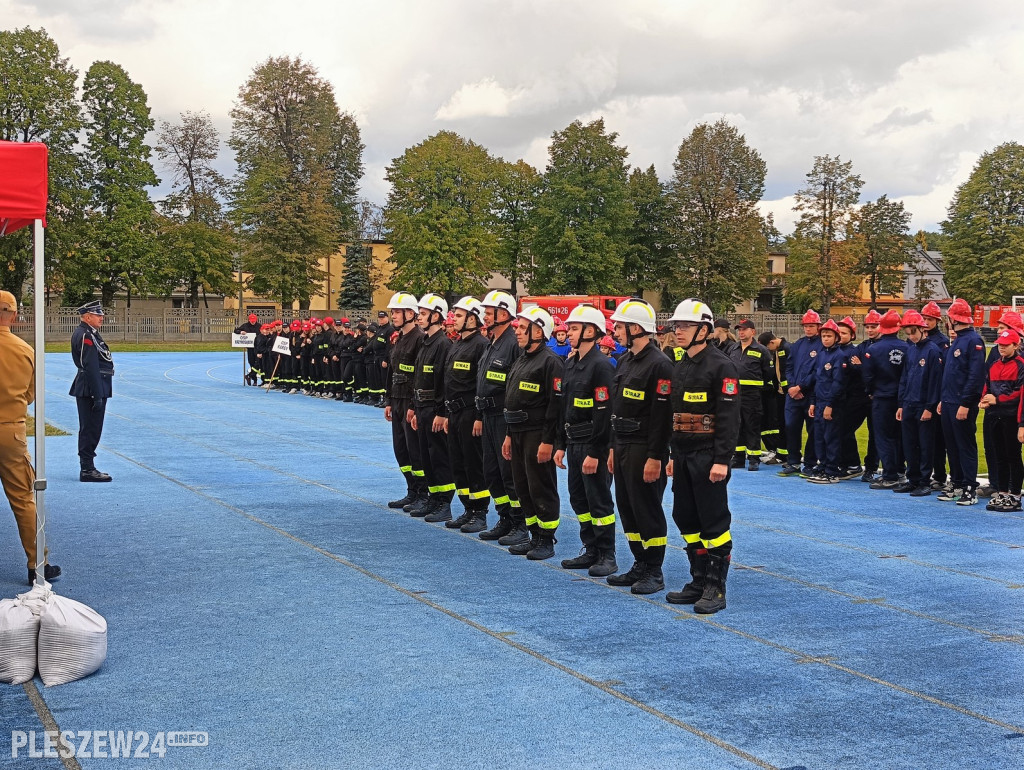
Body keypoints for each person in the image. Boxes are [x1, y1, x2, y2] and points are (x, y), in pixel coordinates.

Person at [665, 299, 741, 614]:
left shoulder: (721, 366)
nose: (677, 331)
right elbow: (675, 415)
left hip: (708, 454)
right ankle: (697, 579)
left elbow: (729, 417)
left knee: (714, 521)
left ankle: (715, 587)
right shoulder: (681, 365)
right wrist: (672, 454)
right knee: (685, 516)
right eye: (676, 326)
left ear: (704, 330)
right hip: (682, 455)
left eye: (684, 326)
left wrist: (722, 460)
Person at [605, 299, 673, 593]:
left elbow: (662, 417)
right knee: (628, 508)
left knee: (647, 509)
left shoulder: (660, 364)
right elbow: (615, 409)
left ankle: (654, 571)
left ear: (636, 328)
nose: (615, 332)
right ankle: (639, 563)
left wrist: (655, 457)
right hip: (621, 445)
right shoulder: (625, 360)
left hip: (644, 447)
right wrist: (611, 448)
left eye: (620, 326)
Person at [0, 290, 60, 584]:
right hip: (9, 431)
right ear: (13, 315)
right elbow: (31, 396)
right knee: (24, 499)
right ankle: (37, 563)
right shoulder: (26, 350)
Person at [554, 304, 617, 578]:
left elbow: (604, 413)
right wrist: (560, 444)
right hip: (573, 443)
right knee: (579, 500)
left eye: (574, 328)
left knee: (599, 501)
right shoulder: (571, 363)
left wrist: (596, 451)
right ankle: (590, 548)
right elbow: (564, 407)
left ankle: (607, 554)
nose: (568, 333)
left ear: (590, 331)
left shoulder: (601, 366)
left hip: (593, 445)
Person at [501, 306, 563, 560]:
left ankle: (546, 540)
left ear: (538, 331)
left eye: (523, 328)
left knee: (541, 487)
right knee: (522, 486)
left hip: (537, 434)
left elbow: (555, 406)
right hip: (516, 432)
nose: (517, 332)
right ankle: (533, 534)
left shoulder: (551, 362)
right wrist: (508, 434)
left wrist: (548, 441)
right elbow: (511, 399)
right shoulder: (522, 359)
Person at [475, 291, 526, 545]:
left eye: (488, 311)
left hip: (503, 417)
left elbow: (515, 385)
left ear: (503, 314)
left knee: (509, 473)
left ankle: (519, 523)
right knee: (492, 472)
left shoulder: (513, 344)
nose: (484, 315)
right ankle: (504, 517)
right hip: (487, 415)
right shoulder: (492, 342)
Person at [442, 297, 491, 533]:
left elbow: (481, 383)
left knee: (473, 464)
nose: (454, 320)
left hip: (470, 412)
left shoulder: (480, 345)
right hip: (454, 412)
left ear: (473, 318)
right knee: (458, 464)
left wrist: (479, 417)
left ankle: (480, 512)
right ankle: (467, 509)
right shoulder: (457, 343)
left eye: (459, 316)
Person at [408, 294, 455, 521]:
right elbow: (419, 378)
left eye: (424, 314)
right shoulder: (426, 342)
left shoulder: (443, 344)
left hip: (434, 409)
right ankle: (433, 499)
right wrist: (416, 408)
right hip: (422, 407)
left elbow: (443, 382)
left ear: (436, 316)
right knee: (426, 457)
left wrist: (441, 413)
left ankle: (444, 503)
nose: (419, 318)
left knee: (439, 457)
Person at [937, 298, 987, 506]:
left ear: (952, 319)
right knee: (952, 445)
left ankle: (969, 487)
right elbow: (950, 375)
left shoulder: (973, 341)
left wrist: (966, 403)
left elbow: (975, 376)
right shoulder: (957, 340)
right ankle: (957, 482)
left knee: (965, 444)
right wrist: (943, 399)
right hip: (949, 400)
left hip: (961, 402)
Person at [384, 293, 428, 512]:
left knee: (414, 450)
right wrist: (389, 400)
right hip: (397, 399)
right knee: (400, 449)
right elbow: (393, 371)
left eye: (397, 312)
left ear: (410, 313)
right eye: (392, 312)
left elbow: (419, 375)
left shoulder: (420, 338)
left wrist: (413, 405)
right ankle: (411, 490)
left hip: (410, 401)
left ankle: (422, 492)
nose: (393, 315)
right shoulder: (399, 337)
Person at [895, 311, 943, 496]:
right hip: (909, 403)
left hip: (923, 403)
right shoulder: (911, 349)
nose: (911, 336)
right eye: (907, 333)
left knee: (925, 444)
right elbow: (905, 377)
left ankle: (924, 481)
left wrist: (929, 407)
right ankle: (912, 478)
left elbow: (935, 382)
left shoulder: (932, 350)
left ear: (923, 329)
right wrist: (901, 403)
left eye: (913, 332)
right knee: (909, 443)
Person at [70, 300, 114, 482]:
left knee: (93, 428)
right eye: (97, 315)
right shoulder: (85, 335)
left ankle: (88, 467)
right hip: (91, 388)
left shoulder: (91, 333)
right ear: (87, 316)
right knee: (90, 429)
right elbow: (90, 366)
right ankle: (87, 469)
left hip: (96, 387)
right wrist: (97, 395)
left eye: (101, 314)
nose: (101, 317)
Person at [863, 310, 907, 489]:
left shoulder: (873, 349)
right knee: (898, 436)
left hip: (881, 397)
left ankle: (889, 475)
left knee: (883, 436)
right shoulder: (907, 347)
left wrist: (870, 391)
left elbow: (868, 376)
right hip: (900, 398)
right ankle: (899, 470)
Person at [981, 328, 1024, 511]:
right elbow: (987, 385)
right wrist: (984, 399)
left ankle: (1015, 494)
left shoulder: (1021, 365)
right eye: (1000, 345)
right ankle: (1003, 491)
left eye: (1006, 345)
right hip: (994, 415)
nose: (1001, 348)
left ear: (1016, 345)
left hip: (1011, 417)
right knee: (999, 456)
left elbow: (1019, 394)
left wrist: (997, 400)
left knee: (1012, 456)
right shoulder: (994, 365)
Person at [778, 310, 822, 477]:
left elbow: (817, 371)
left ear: (818, 326)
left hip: (809, 395)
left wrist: (801, 387)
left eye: (811, 326)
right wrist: (791, 387)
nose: (808, 329)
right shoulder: (798, 344)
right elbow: (788, 367)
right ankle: (793, 461)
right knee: (791, 427)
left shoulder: (821, 346)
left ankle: (810, 463)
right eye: (806, 326)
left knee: (812, 430)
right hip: (793, 395)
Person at [730, 319, 772, 471]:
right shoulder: (733, 349)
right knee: (737, 426)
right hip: (735, 394)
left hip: (752, 395)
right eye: (739, 330)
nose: (741, 332)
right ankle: (739, 457)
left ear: (752, 332)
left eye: (744, 329)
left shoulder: (761, 350)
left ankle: (754, 458)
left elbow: (768, 373)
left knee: (752, 426)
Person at [807, 319, 846, 484]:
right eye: (823, 335)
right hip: (819, 401)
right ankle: (822, 466)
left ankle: (832, 470)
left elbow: (838, 383)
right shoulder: (821, 354)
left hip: (832, 403)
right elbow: (818, 380)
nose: (826, 339)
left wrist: (830, 404)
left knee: (831, 438)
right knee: (819, 437)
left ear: (836, 337)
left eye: (829, 336)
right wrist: (813, 402)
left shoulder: (839, 355)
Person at [234, 313, 261, 385]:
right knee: (251, 363)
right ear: (249, 320)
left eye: (254, 320)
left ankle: (249, 376)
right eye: (251, 320)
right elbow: (236, 331)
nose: (253, 322)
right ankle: (254, 380)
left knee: (258, 363)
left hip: (258, 347)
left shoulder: (259, 326)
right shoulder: (245, 325)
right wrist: (241, 332)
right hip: (250, 348)